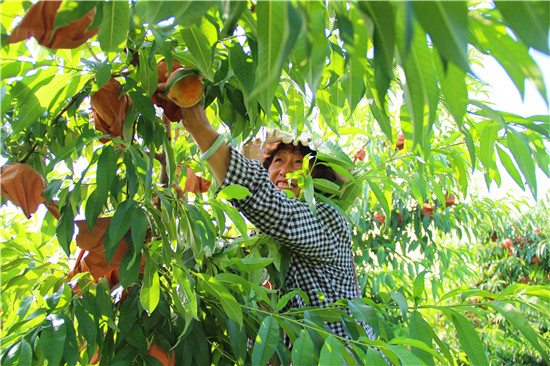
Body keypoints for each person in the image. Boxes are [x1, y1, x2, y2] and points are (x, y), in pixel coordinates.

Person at [179, 104, 375, 347]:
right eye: (278, 160)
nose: (284, 170)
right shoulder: (254, 242)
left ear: (318, 180)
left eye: (298, 164)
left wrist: (200, 128)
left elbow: (277, 210)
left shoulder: (328, 220)